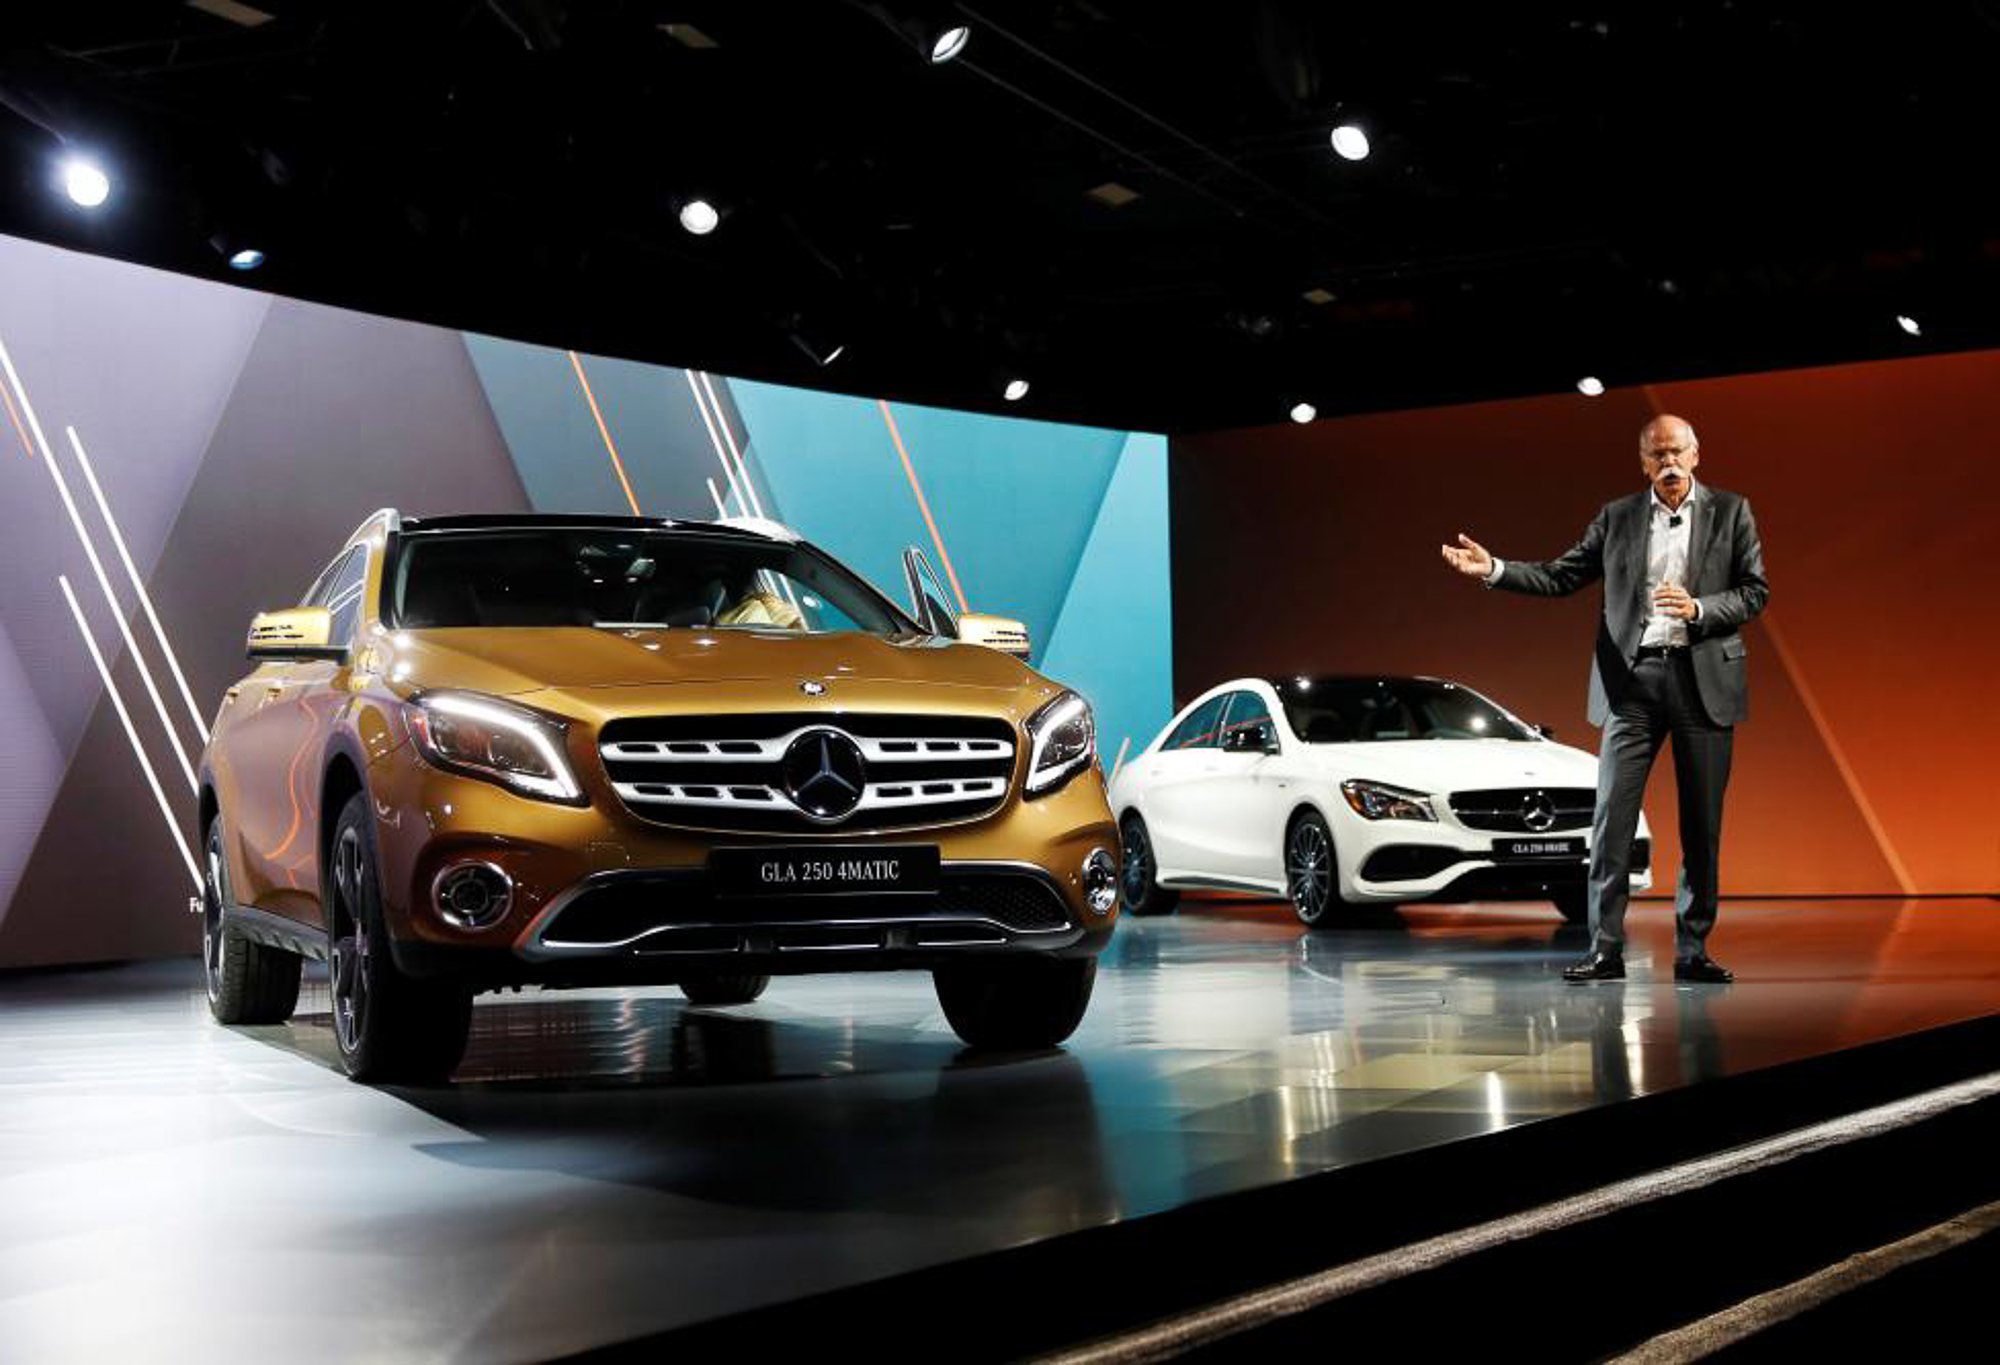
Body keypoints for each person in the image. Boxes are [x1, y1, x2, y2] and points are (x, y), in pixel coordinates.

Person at [1440, 414, 1769, 983]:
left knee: (1701, 825)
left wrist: (1699, 610)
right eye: (1657, 455)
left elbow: (1753, 590)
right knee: (1611, 822)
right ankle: (1605, 949)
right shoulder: (1617, 518)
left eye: (1677, 452)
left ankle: (1693, 950)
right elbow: (1561, 575)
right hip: (1632, 684)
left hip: (1702, 683)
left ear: (1697, 454)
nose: (1668, 463)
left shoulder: (1731, 511)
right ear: (1643, 462)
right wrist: (1493, 568)